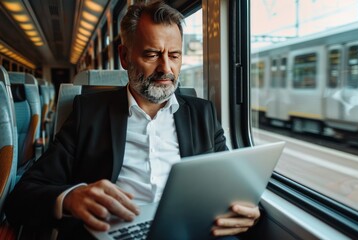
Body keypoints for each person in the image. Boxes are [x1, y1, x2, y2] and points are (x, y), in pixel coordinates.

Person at [5, 1, 260, 239]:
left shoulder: (203, 114)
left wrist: (246, 209)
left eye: (174, 55)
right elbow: (23, 196)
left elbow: (228, 187)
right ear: (125, 57)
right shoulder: (88, 113)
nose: (166, 68)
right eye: (152, 55)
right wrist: (71, 198)